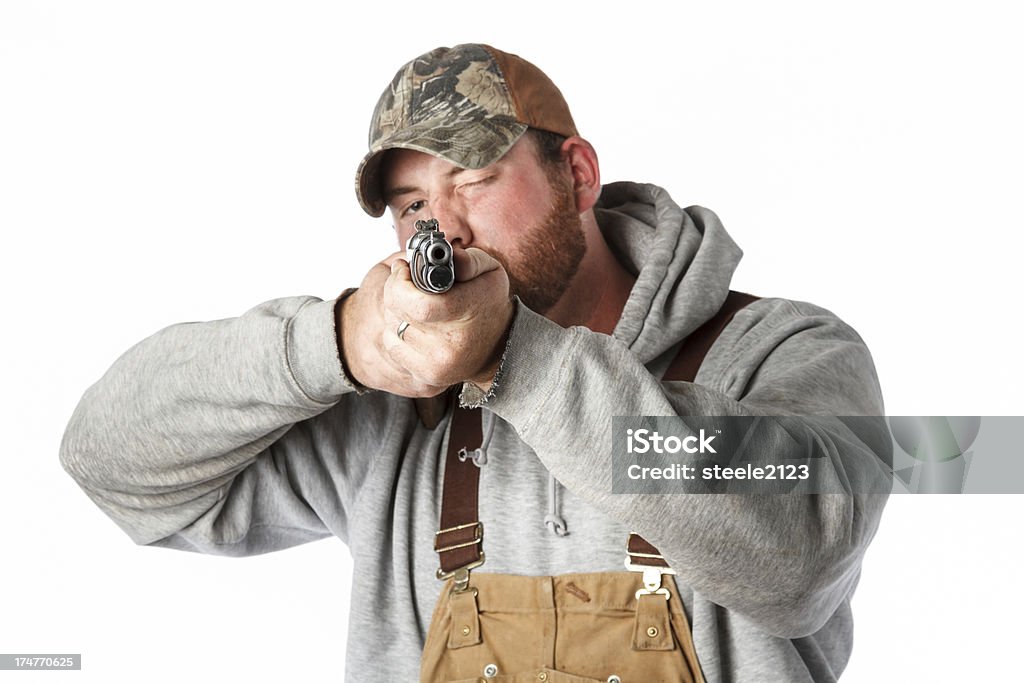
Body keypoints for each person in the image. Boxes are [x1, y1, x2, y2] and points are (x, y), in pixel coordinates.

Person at [60, 43, 889, 682]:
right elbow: (111, 463)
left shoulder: (782, 351)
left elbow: (798, 556)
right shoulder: (395, 408)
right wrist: (333, 345)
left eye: (475, 179)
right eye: (412, 203)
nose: (441, 229)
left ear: (577, 173)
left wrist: (516, 361)